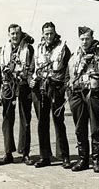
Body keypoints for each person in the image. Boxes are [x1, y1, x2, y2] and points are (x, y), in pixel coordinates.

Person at [66, 26, 99, 173]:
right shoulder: (74, 56)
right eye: (82, 39)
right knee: (80, 128)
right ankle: (82, 160)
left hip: (94, 94)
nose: (85, 42)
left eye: (87, 38)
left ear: (92, 39)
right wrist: (70, 96)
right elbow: (68, 76)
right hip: (77, 94)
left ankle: (97, 160)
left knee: (95, 128)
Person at [30, 22, 72, 169]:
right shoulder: (38, 48)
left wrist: (65, 88)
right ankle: (44, 156)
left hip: (56, 88)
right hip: (41, 89)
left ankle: (64, 156)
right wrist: (31, 80)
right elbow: (31, 68)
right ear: (43, 34)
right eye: (46, 33)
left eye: (51, 33)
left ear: (55, 33)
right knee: (42, 123)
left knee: (59, 122)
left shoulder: (63, 48)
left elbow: (68, 68)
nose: (49, 36)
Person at [0, 24, 35, 166]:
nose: (15, 36)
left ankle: (25, 153)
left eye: (17, 33)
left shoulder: (28, 48)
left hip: (23, 86)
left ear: (21, 33)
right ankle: (8, 153)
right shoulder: (3, 49)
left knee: (25, 119)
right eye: (12, 33)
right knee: (7, 119)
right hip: (8, 86)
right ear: (8, 34)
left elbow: (31, 68)